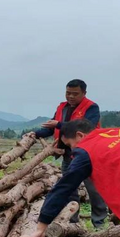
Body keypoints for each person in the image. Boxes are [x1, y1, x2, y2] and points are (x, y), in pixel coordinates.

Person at [33, 79, 108, 228]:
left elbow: (88, 127)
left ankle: (99, 224)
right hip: (68, 153)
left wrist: (59, 124)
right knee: (69, 188)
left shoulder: (91, 107)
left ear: (84, 93)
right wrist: (34, 134)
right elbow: (51, 128)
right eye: (68, 93)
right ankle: (72, 222)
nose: (71, 96)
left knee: (94, 189)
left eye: (75, 94)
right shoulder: (62, 107)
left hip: (88, 154)